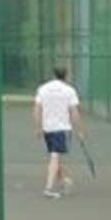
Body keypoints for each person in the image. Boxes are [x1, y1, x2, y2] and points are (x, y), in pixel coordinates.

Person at [34, 66, 83, 199]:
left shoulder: (42, 89)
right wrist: (79, 131)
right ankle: (48, 188)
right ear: (66, 76)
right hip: (61, 129)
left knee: (54, 156)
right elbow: (74, 112)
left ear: (53, 74)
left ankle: (65, 180)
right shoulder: (69, 90)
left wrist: (38, 127)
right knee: (55, 157)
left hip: (47, 129)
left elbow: (37, 109)